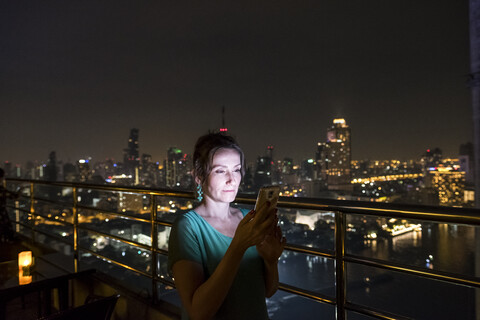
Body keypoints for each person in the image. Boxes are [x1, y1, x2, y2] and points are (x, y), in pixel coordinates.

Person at [168, 133, 286, 320]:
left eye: (237, 169)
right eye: (220, 171)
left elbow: (267, 291)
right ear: (199, 176)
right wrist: (238, 246)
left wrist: (271, 261)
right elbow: (198, 312)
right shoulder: (188, 227)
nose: (232, 179)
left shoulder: (249, 219)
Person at [0, 168, 19, 243]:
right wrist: (20, 191)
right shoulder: (1, 189)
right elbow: (13, 196)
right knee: (6, 226)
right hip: (1, 213)